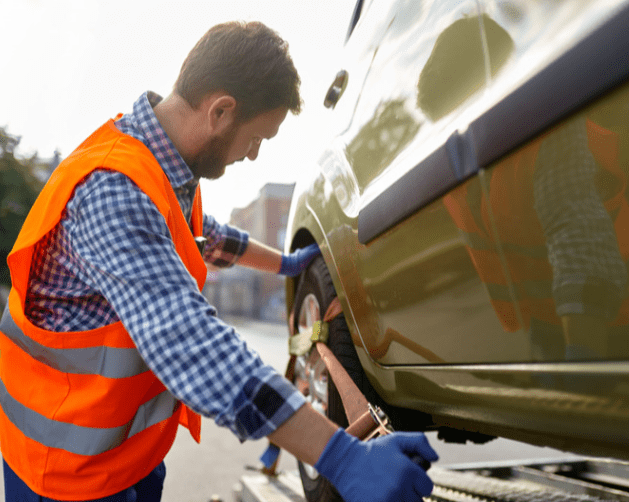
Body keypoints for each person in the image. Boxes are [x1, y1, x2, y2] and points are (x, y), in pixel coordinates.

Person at [0, 21, 437, 502]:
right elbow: (190, 343)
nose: (252, 156)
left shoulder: (163, 173)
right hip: (63, 471)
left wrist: (287, 264)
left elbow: (208, 238)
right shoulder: (115, 190)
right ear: (221, 110)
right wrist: (339, 455)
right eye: (257, 139)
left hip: (125, 457)